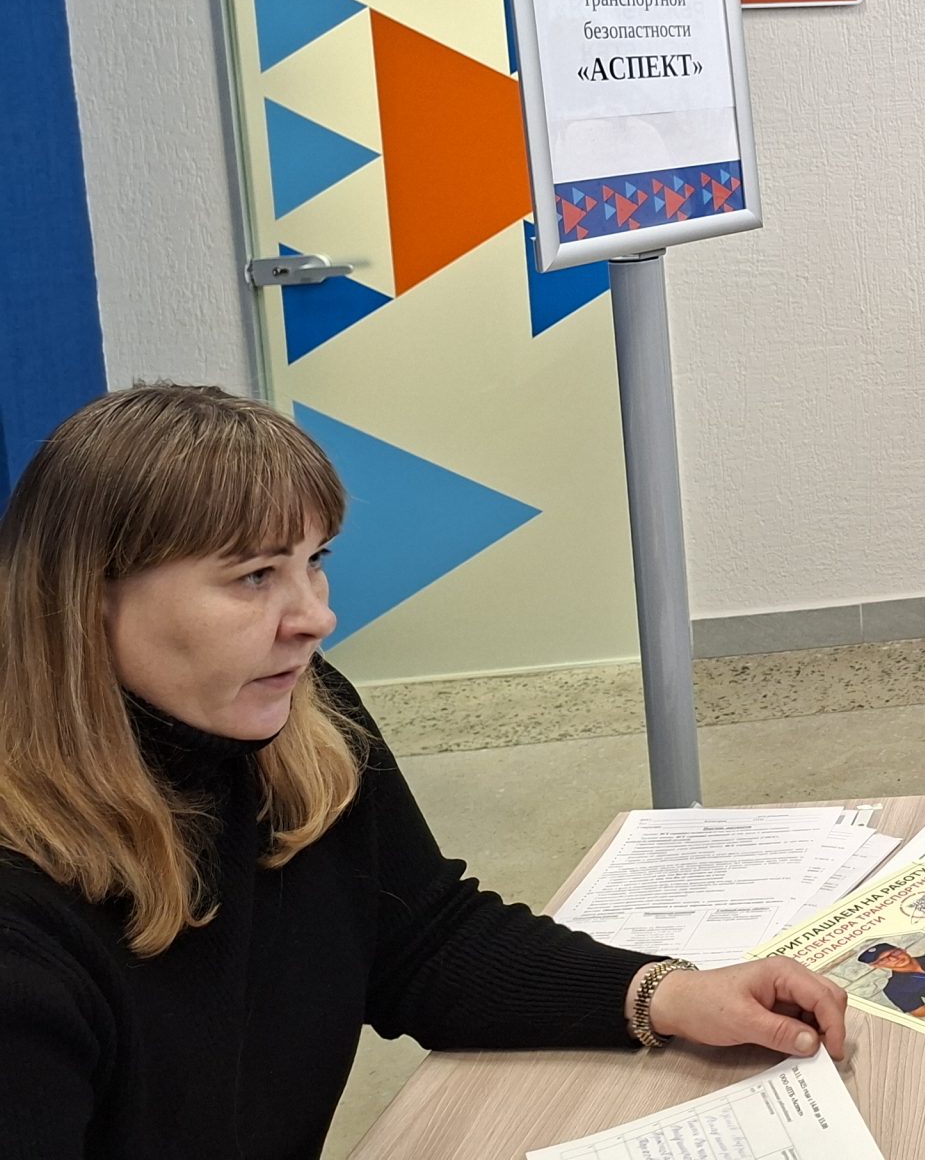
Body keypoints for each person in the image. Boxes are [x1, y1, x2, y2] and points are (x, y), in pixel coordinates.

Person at [0, 385, 848, 1160]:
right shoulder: (21, 917)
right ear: (85, 597)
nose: (317, 617)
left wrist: (662, 993)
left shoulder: (305, 720)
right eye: (254, 576)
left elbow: (422, 941)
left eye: (314, 561)